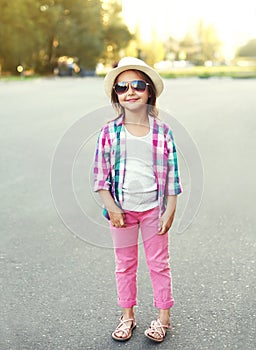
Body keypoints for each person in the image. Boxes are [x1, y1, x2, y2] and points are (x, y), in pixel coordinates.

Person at [93, 57, 182, 343]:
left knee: (159, 263)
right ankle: (127, 316)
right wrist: (111, 207)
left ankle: (163, 318)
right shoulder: (109, 133)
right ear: (116, 95)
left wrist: (170, 209)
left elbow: (172, 176)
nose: (130, 91)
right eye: (122, 87)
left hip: (153, 210)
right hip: (122, 211)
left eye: (137, 85)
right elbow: (100, 176)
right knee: (124, 264)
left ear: (149, 92)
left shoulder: (162, 132)